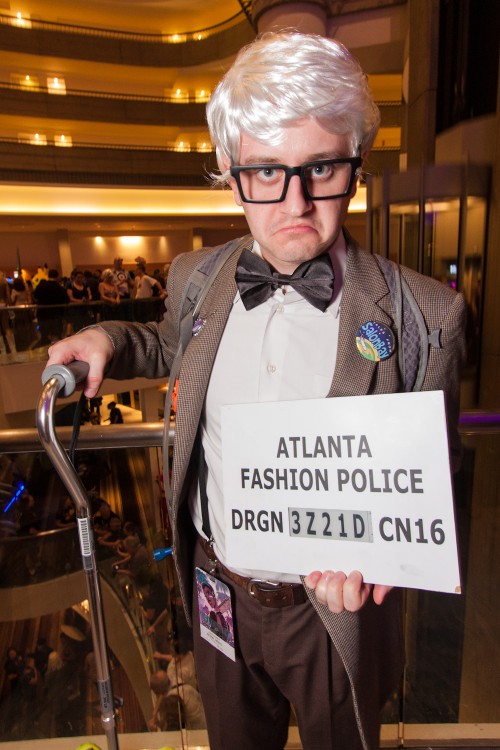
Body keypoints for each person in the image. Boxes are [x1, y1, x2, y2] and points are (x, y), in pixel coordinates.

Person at [46, 31, 467, 750]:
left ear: (355, 166)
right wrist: (110, 338)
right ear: (229, 169)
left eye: (321, 168)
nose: (295, 200)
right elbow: (176, 344)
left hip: (331, 613)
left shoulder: (425, 317)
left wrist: (382, 565)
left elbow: (433, 484)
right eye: (267, 171)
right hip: (218, 591)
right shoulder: (197, 276)